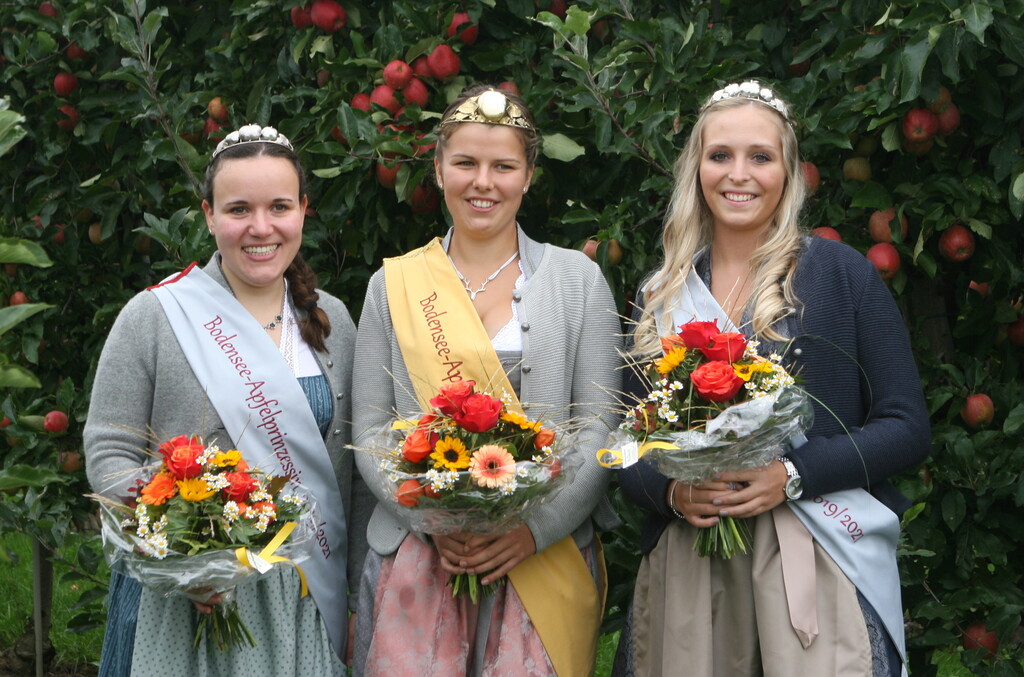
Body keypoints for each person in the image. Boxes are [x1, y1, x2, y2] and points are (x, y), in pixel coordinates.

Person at [614, 81, 930, 677]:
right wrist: (671, 492)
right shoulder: (659, 295)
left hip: (819, 553)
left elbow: (907, 427)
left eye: (760, 156)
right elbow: (625, 440)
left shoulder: (842, 275)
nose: (739, 174)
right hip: (692, 561)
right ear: (696, 169)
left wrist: (792, 474)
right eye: (720, 155)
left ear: (788, 172)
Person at [350, 84, 622, 676]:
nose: (483, 182)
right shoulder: (390, 285)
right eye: (466, 163)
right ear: (439, 169)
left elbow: (602, 428)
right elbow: (370, 432)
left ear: (528, 177)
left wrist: (534, 529)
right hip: (421, 555)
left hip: (544, 556)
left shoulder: (578, 281)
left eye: (503, 166)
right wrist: (434, 521)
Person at [84, 124, 372, 677]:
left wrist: (359, 595)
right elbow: (109, 451)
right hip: (186, 598)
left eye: (279, 207)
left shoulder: (331, 318)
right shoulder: (155, 316)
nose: (261, 228)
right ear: (209, 215)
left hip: (307, 593)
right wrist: (185, 552)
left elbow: (354, 475)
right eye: (239, 209)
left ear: (303, 210)